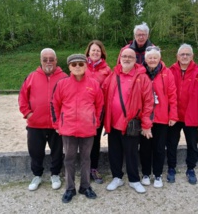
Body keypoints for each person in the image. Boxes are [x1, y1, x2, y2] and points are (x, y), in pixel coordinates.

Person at [51, 54, 104, 203]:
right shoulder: (62, 84)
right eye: (74, 65)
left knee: (86, 159)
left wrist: (96, 122)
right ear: (69, 67)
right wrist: (56, 124)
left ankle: (85, 186)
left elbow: (100, 105)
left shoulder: (94, 84)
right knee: (69, 158)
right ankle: (70, 188)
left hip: (87, 128)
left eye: (81, 64)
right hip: (68, 129)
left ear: (86, 65)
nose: (78, 67)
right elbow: (54, 104)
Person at [102, 48, 154, 194]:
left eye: (130, 56)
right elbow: (102, 91)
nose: (126, 58)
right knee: (114, 152)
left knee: (131, 153)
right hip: (113, 122)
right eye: (124, 56)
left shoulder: (142, 77)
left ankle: (134, 180)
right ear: (120, 58)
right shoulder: (113, 75)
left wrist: (146, 124)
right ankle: (117, 177)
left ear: (135, 59)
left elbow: (148, 102)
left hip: (131, 123)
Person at [18, 48, 68, 191]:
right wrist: (28, 113)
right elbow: (22, 97)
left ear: (56, 60)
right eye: (45, 59)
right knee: (35, 151)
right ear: (40, 60)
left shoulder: (64, 77)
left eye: (51, 59)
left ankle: (55, 174)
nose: (48, 62)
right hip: (35, 124)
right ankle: (37, 176)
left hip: (56, 125)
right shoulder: (31, 77)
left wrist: (63, 118)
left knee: (57, 152)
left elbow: (69, 99)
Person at [166, 43, 198, 185]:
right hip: (174, 117)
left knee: (192, 144)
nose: (184, 56)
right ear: (177, 56)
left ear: (192, 56)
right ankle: (171, 168)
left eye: (187, 54)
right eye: (182, 54)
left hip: (192, 117)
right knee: (171, 143)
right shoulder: (169, 72)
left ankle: (191, 169)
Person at [139, 46, 178, 188]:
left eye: (155, 57)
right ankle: (145, 173)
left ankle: (157, 174)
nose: (152, 60)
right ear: (145, 59)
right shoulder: (140, 73)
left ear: (159, 58)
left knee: (159, 148)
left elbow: (173, 96)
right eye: (150, 58)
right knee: (145, 148)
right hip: (144, 118)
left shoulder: (167, 73)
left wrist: (173, 115)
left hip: (161, 117)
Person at [85, 40, 112, 184]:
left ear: (102, 53)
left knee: (95, 142)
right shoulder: (81, 66)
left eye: (98, 50)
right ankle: (84, 169)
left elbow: (110, 91)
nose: (95, 52)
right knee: (83, 141)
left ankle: (93, 168)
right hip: (82, 111)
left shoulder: (107, 70)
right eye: (93, 50)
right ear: (88, 51)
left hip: (98, 111)